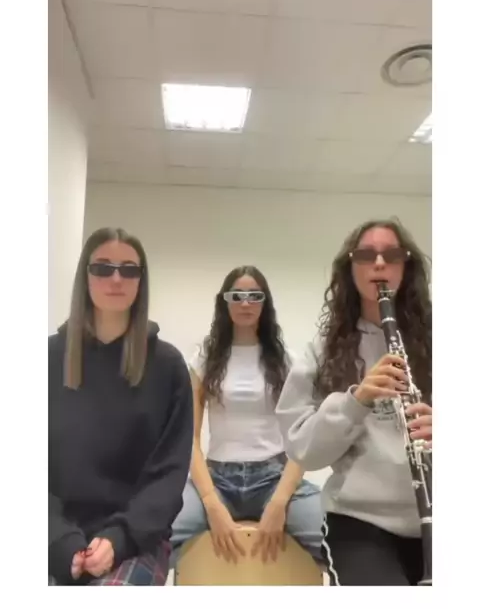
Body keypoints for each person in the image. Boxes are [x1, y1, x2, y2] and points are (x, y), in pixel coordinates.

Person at [276, 219, 432, 586]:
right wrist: (356, 401)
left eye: (391, 255)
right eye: (366, 255)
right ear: (350, 268)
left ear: (406, 266)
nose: (379, 264)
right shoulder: (324, 350)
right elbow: (304, 450)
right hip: (360, 522)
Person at [48, 227, 193, 586]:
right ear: (85, 276)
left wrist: (119, 538)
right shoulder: (47, 358)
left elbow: (168, 476)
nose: (116, 279)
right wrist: (59, 540)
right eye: (103, 267)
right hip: (50, 532)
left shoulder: (167, 366)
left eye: (129, 269)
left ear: (141, 281)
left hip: (134, 539)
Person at [169, 266, 325, 578]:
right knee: (160, 531)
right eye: (236, 296)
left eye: (254, 295)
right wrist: (211, 504)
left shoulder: (287, 360)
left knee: (334, 536)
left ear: (265, 302)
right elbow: (189, 438)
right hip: (217, 479)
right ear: (224, 302)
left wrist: (280, 502)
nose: (245, 303)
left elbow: (303, 436)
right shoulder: (204, 359)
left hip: (274, 477)